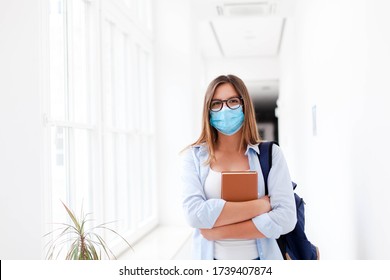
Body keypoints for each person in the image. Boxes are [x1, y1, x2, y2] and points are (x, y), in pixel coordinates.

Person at [180, 74, 297, 260]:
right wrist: (261, 205)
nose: (224, 109)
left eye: (233, 101)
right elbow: (194, 215)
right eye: (216, 103)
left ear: (245, 105)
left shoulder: (271, 154)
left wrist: (217, 231)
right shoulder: (193, 157)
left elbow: (287, 219)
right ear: (208, 111)